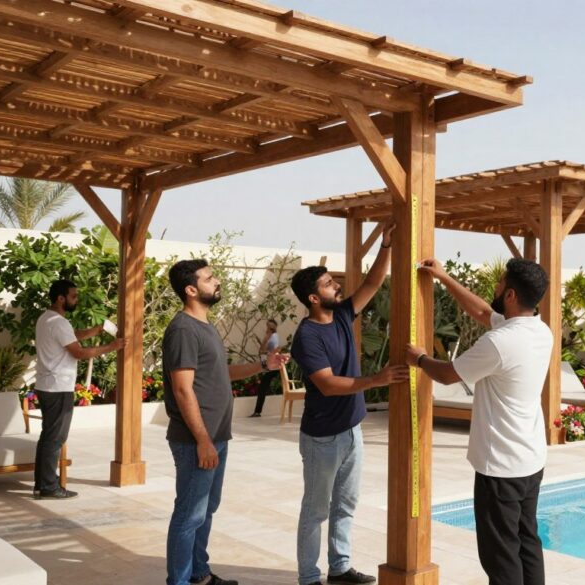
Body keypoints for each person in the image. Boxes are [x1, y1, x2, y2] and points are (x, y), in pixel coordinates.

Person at [407, 257, 551, 585]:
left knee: (501, 556)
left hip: (500, 466)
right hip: (530, 461)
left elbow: (446, 375)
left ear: (511, 295)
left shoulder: (499, 343)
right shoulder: (540, 331)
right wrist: (444, 277)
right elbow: (484, 313)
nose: (496, 287)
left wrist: (418, 358)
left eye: (501, 283)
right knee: (527, 540)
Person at [289, 223, 406, 585]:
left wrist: (385, 245)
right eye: (327, 284)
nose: (336, 285)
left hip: (353, 432)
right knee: (316, 510)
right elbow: (326, 384)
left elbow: (372, 283)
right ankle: (309, 577)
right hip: (323, 438)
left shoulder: (341, 315)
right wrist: (375, 380)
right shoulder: (307, 336)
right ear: (312, 297)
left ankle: (339, 568)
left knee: (345, 506)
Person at [163, 259, 288, 585]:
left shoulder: (204, 326)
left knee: (204, 510)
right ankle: (178, 581)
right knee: (189, 514)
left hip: (215, 436)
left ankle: (199, 574)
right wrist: (203, 440)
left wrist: (264, 364)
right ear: (191, 290)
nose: (216, 281)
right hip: (195, 440)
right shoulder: (183, 330)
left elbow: (221, 374)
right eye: (209, 278)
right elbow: (182, 389)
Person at [33, 279, 125, 500]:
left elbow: (70, 337)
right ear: (60, 298)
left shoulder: (46, 319)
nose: (77, 300)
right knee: (55, 439)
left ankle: (42, 484)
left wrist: (95, 331)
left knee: (48, 437)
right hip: (58, 388)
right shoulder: (59, 323)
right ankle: (48, 486)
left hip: (47, 386)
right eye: (73, 296)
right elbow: (79, 353)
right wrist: (112, 347)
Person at [249, 319, 280, 417]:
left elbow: (274, 350)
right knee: (263, 386)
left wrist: (268, 353)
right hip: (269, 365)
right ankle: (257, 411)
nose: (267, 328)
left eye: (270, 326)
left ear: (273, 328)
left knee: (263, 386)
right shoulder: (269, 337)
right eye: (267, 326)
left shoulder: (274, 337)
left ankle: (257, 412)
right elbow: (261, 350)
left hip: (273, 366)